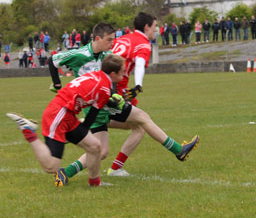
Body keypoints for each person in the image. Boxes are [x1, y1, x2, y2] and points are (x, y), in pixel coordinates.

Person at [51, 14, 199, 180]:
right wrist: (137, 86)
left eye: (112, 40)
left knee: (106, 147)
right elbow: (138, 65)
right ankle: (179, 150)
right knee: (142, 118)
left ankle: (66, 172)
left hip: (101, 101)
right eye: (109, 40)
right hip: (106, 100)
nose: (112, 43)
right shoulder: (88, 54)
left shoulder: (107, 50)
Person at [7, 53, 126, 187]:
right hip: (59, 113)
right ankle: (29, 131)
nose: (124, 75)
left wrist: (82, 130)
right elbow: (94, 112)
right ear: (113, 74)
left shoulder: (96, 75)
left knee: (95, 146)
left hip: (66, 113)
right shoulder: (105, 87)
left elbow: (91, 98)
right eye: (122, 72)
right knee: (51, 167)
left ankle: (95, 183)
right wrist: (84, 129)